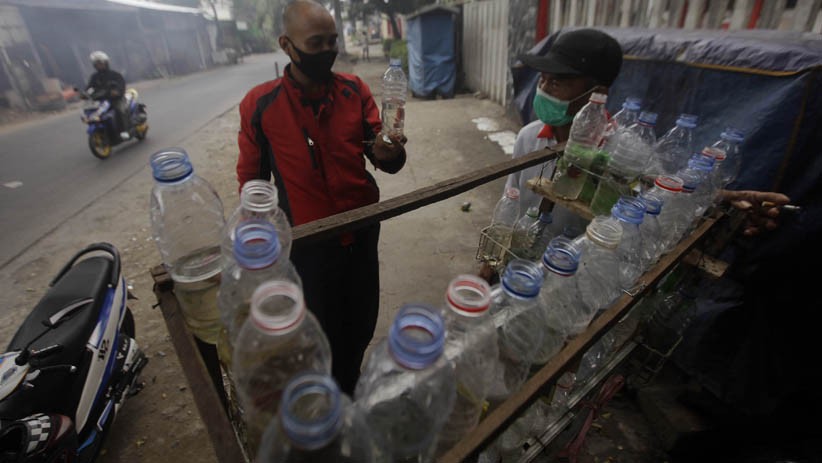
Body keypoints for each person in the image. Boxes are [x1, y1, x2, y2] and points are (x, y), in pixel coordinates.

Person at [236, 0, 407, 394]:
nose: (328, 51)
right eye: (316, 43)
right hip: (308, 243)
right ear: (286, 45)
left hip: (363, 229)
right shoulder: (261, 106)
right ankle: (327, 396)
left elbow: (383, 152)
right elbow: (252, 185)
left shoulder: (353, 90)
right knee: (319, 327)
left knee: (362, 318)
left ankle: (349, 386)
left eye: (332, 41)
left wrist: (390, 153)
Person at [85, 51, 130, 140]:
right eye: (97, 64)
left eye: (100, 63)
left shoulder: (114, 74)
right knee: (93, 112)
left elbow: (121, 85)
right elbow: (89, 87)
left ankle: (123, 131)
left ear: (106, 63)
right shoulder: (94, 77)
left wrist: (117, 92)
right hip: (101, 100)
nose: (99, 65)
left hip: (116, 99)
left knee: (118, 110)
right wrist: (85, 94)